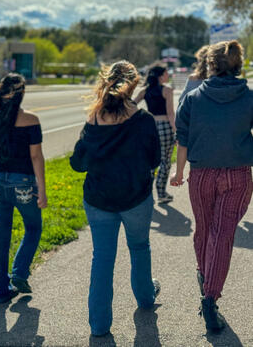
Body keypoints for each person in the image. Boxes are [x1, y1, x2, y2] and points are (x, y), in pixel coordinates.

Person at [70, 61, 161, 337]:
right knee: (140, 247)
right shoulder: (144, 120)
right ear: (133, 85)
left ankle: (99, 325)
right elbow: (155, 159)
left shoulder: (94, 119)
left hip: (99, 199)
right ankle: (145, 297)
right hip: (136, 197)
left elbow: (77, 164)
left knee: (102, 257)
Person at [171, 40, 253, 333]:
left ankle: (205, 277)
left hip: (201, 174)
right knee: (223, 234)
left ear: (211, 65)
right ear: (237, 65)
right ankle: (210, 297)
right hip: (238, 175)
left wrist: (179, 172)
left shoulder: (193, 99)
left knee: (204, 230)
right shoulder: (249, 97)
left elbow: (182, 138)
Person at [0, 73, 47, 304]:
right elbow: (36, 156)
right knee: (33, 227)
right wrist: (42, 189)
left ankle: (1, 290)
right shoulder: (31, 120)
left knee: (1, 236)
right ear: (21, 94)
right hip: (23, 182)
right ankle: (19, 272)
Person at [134, 65, 176, 204]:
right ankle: (161, 193)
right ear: (160, 76)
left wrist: (140, 118)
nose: (168, 75)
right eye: (166, 73)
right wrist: (176, 131)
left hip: (150, 127)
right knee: (165, 161)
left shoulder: (144, 91)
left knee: (149, 161)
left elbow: (131, 105)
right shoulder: (167, 90)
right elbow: (170, 113)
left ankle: (146, 194)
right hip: (164, 127)